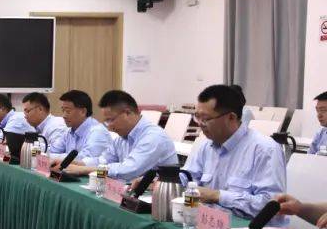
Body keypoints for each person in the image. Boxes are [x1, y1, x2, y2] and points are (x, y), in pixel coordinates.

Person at [180, 85, 287, 220]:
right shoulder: (206, 146)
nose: (200, 124)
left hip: (250, 228)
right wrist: (170, 180)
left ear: (231, 117)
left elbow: (272, 205)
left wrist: (217, 196)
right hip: (209, 223)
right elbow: (188, 178)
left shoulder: (265, 149)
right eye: (197, 117)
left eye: (206, 119)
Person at [62, 89, 177, 181]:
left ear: (127, 113)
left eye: (111, 120)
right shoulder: (122, 137)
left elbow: (128, 171)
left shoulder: (153, 137)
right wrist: (78, 163)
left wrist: (85, 170)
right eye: (106, 121)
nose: (109, 127)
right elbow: (104, 160)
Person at [47, 90, 111, 162]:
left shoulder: (98, 132)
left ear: (83, 112)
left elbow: (83, 160)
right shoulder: (69, 131)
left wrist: (51, 157)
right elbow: (53, 150)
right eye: (63, 111)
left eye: (68, 111)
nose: (64, 116)